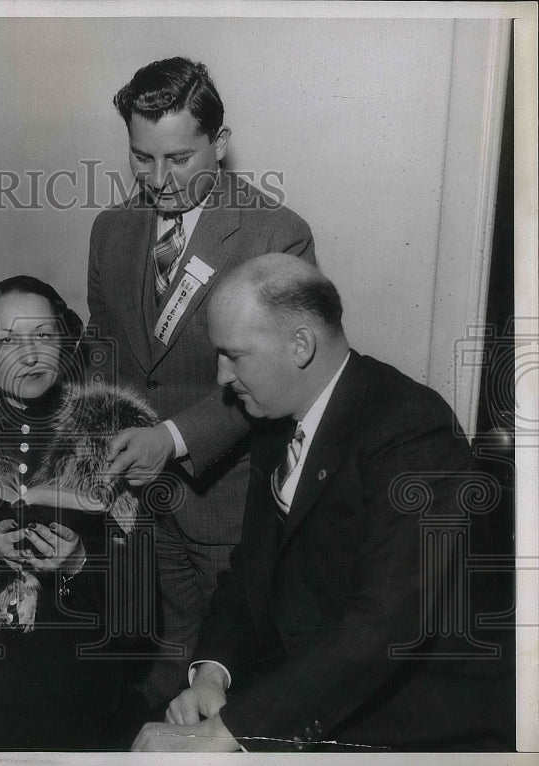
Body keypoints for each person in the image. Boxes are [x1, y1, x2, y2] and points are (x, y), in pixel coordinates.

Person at [133, 253, 513, 752]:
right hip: (312, 691)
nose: (222, 377)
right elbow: (252, 569)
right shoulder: (276, 417)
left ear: (301, 345)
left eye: (234, 355)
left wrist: (231, 732)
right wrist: (212, 674)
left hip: (413, 720)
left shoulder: (410, 427)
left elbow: (384, 625)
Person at [87, 56, 316, 709]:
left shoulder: (276, 234)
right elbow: (106, 342)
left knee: (234, 675)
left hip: (231, 504)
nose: (158, 181)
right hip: (143, 498)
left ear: (219, 144)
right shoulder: (110, 232)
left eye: (180, 160)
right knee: (162, 661)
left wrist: (172, 437)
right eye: (141, 158)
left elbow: (280, 378)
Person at [0, 275, 158, 750]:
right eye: (7, 340)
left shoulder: (115, 433)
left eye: (44, 336)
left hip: (76, 647)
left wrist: (80, 562)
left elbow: (140, 618)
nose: (31, 355)